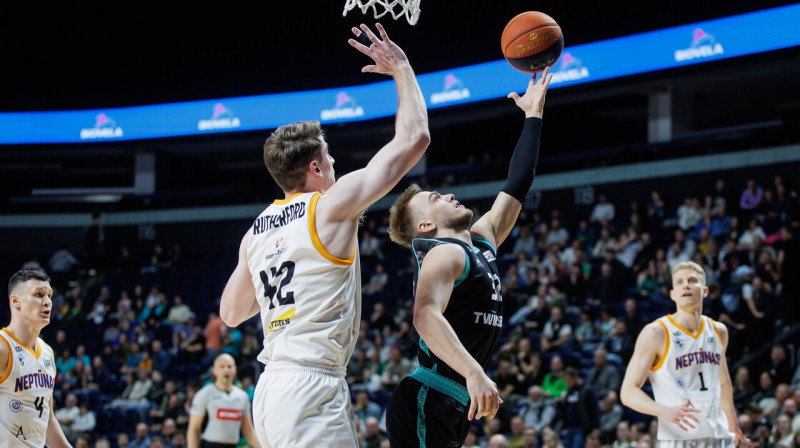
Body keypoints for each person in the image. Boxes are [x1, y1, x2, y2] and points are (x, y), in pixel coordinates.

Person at [218, 23, 430, 448]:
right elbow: (414, 138)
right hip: (311, 384)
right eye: (329, 160)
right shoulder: (329, 205)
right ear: (315, 169)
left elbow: (230, 312)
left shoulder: (255, 232)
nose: (333, 166)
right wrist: (402, 69)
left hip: (270, 389)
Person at [383, 67, 552, 448]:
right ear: (425, 225)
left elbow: (518, 184)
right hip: (428, 399)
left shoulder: (481, 243)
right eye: (434, 198)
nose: (445, 195)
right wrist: (475, 373)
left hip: (452, 403)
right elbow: (425, 316)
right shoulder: (443, 256)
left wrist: (533, 116)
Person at [620, 261, 748, 448]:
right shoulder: (656, 332)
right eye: (679, 282)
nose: (685, 285)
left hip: (719, 436)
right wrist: (663, 411)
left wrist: (732, 423)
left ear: (705, 291)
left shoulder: (719, 331)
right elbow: (628, 392)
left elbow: (723, 383)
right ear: (672, 295)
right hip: (680, 439)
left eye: (692, 280)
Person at [0, 269, 71, 448]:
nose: (47, 302)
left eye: (49, 295)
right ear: (16, 301)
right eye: (38, 295)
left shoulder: (47, 352)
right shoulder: (3, 348)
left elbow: (47, 420)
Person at [187, 354, 260, 448]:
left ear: (235, 369)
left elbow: (249, 431)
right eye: (222, 367)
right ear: (214, 370)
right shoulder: (205, 394)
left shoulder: (242, 397)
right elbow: (193, 429)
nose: (226, 370)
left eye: (229, 367)